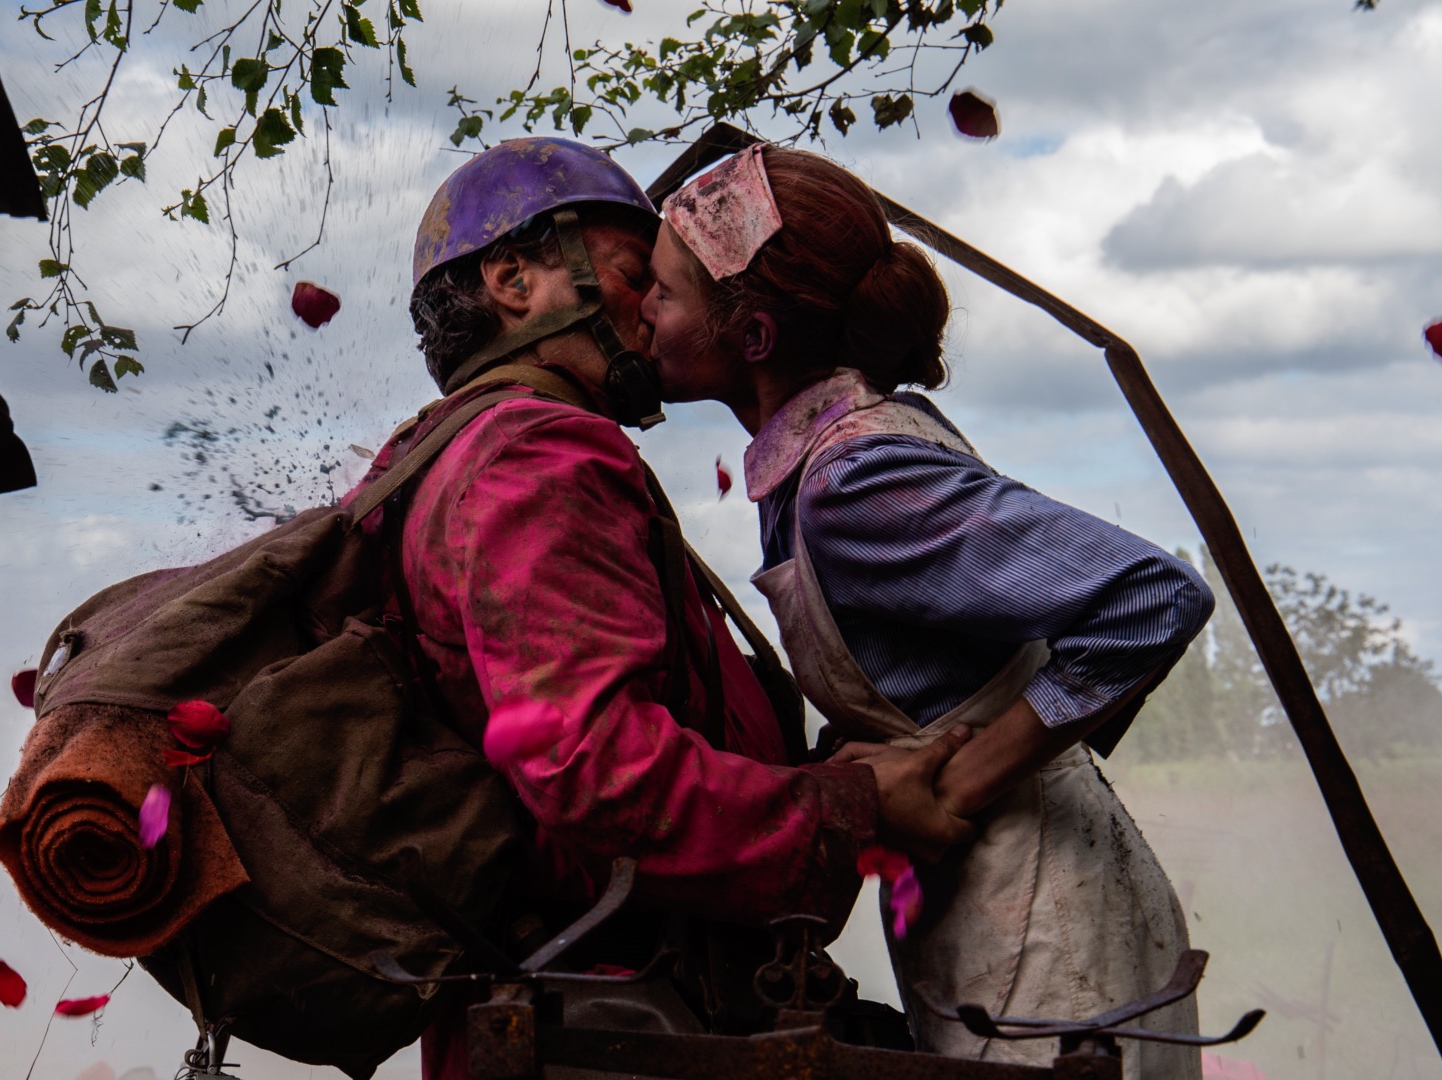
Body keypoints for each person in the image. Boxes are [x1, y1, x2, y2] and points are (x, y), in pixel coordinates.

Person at [348, 137, 975, 1078]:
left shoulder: (434, 457)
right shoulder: (535, 457)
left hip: (593, 1021)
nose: (656, 307)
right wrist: (848, 806)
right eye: (637, 274)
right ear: (514, 280)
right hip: (621, 1027)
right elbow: (594, 768)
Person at [640, 143, 1213, 1079]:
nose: (640, 312)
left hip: (1042, 919)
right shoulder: (831, 457)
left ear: (752, 339)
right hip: (994, 902)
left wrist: (959, 781)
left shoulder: (853, 482)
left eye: (664, 294)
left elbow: (1151, 598)